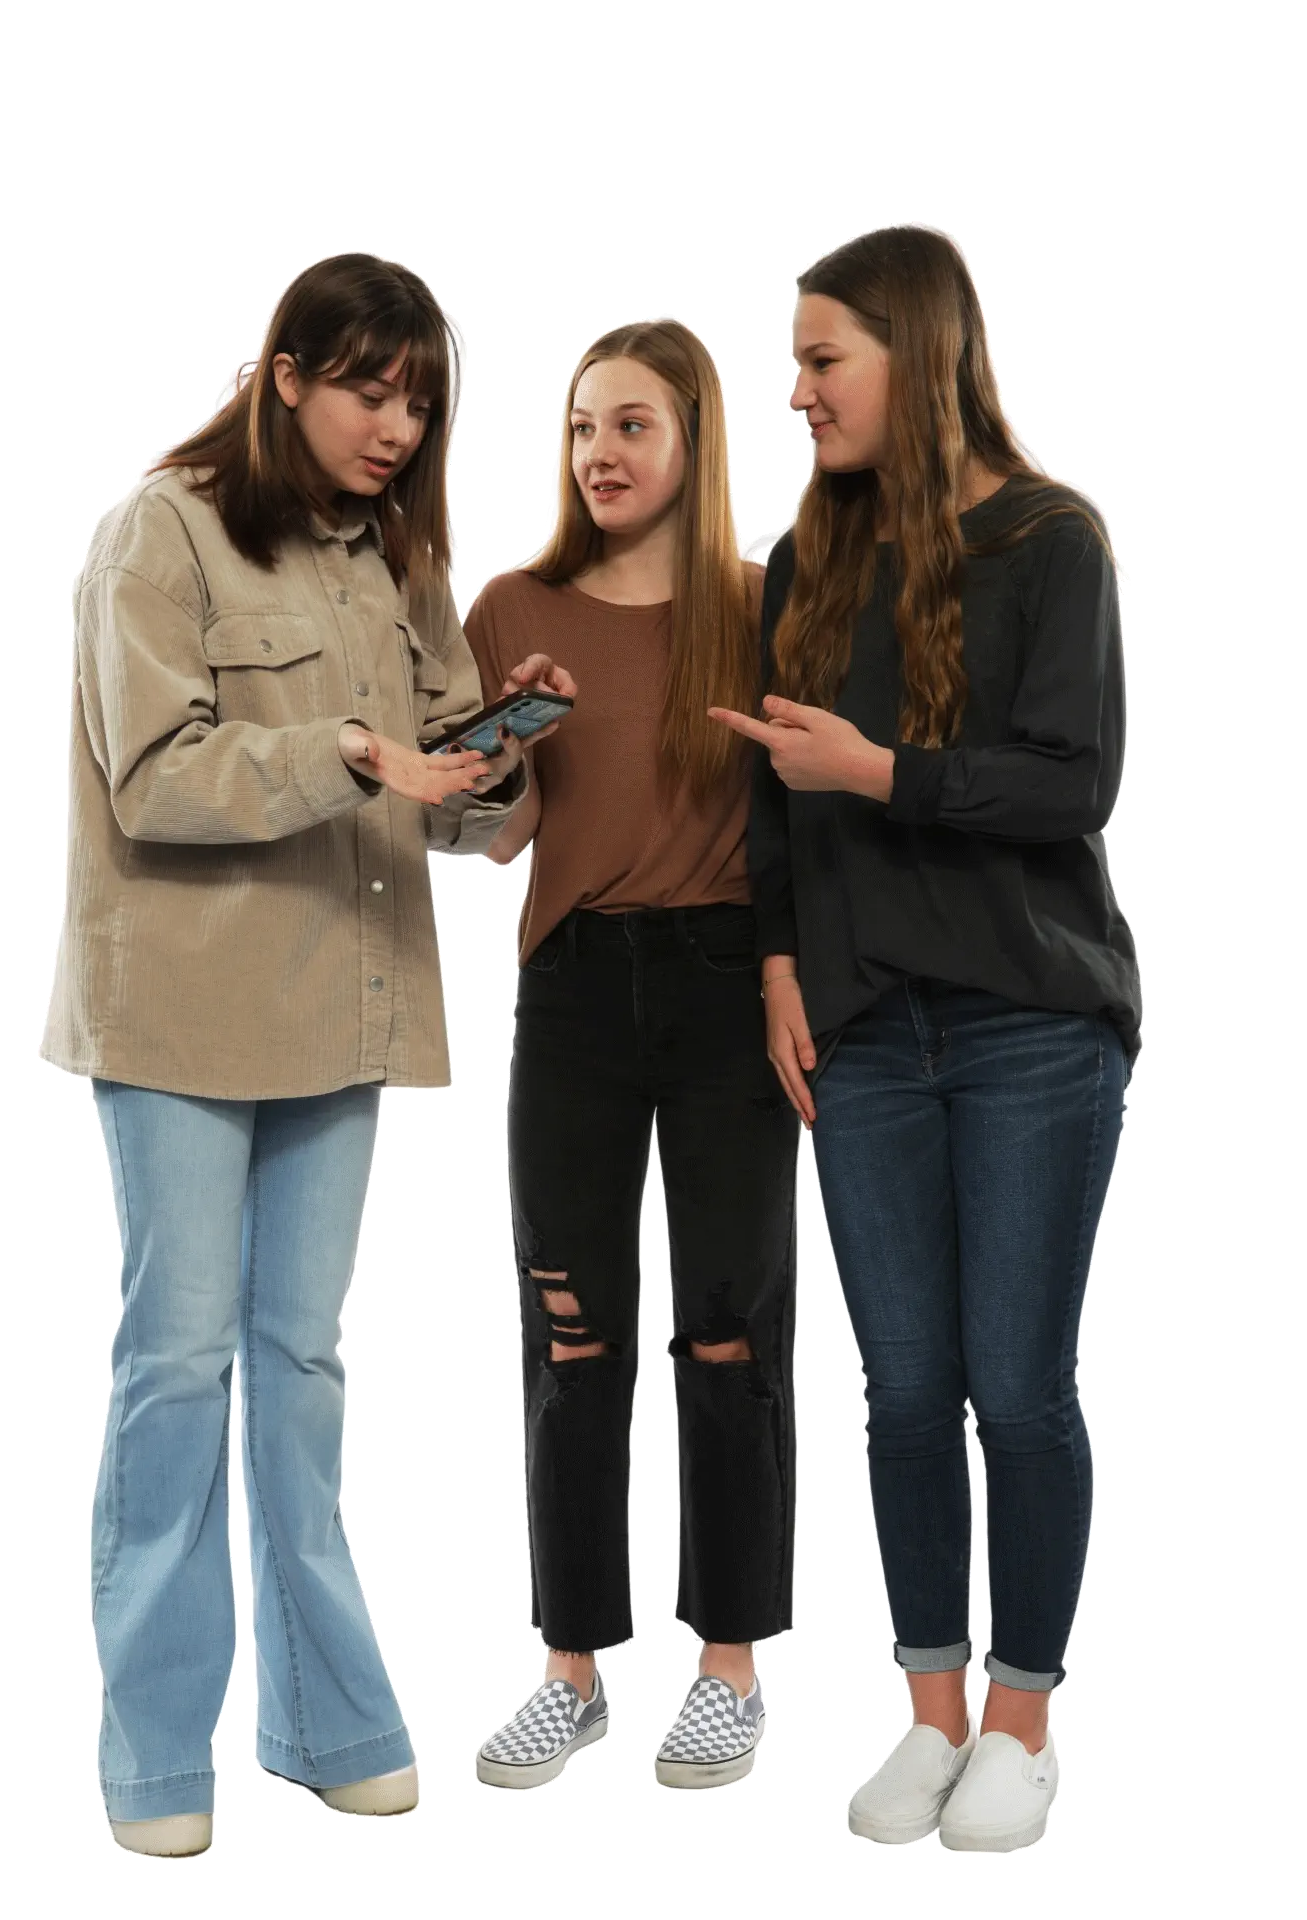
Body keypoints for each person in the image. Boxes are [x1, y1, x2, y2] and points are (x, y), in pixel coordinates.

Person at [40, 253, 566, 1857]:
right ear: (286, 375)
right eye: (365, 387)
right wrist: (345, 751)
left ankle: (330, 1720)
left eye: (418, 399)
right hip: (187, 1013)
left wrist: (494, 758)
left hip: (341, 1005)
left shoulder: (394, 566)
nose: (395, 424)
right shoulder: (162, 527)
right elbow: (156, 778)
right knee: (175, 1372)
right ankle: (154, 1760)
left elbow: (464, 807)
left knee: (305, 1374)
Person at [711, 225, 1140, 1851]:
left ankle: (1022, 1718)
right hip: (868, 1034)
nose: (800, 392)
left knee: (1015, 1390)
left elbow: (1069, 784)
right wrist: (772, 967)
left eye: (824, 359)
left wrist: (881, 773)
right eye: (797, 363)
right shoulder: (799, 565)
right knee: (903, 1392)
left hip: (1034, 1026)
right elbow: (768, 799)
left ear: (916, 349)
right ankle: (929, 1709)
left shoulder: (1051, 539)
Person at [464, 321, 799, 1794]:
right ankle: (572, 1666)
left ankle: (727, 1664)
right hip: (577, 989)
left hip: (730, 985)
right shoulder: (511, 604)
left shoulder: (757, 605)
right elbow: (497, 833)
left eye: (633, 426)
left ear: (692, 441)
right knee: (569, 1325)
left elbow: (803, 823)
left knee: (728, 1324)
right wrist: (490, 754)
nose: (600, 452)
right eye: (582, 426)